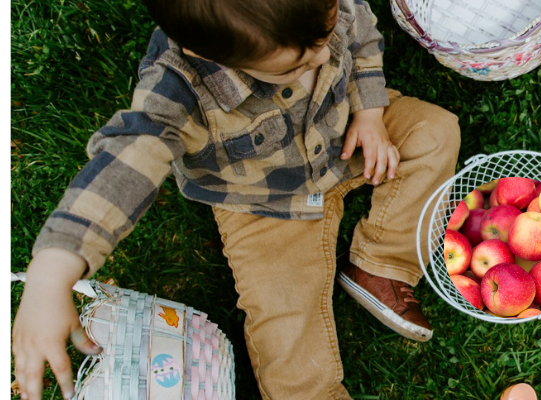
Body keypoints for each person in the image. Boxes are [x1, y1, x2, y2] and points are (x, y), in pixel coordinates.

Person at [11, 0, 460, 398]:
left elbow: (361, 35)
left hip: (347, 136)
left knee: (434, 132)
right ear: (206, 54)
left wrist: (370, 112)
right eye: (294, 66)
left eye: (326, 38)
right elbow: (126, 162)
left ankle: (381, 264)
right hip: (262, 204)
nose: (324, 57)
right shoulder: (178, 89)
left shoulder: (315, 10)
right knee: (287, 335)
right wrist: (52, 271)